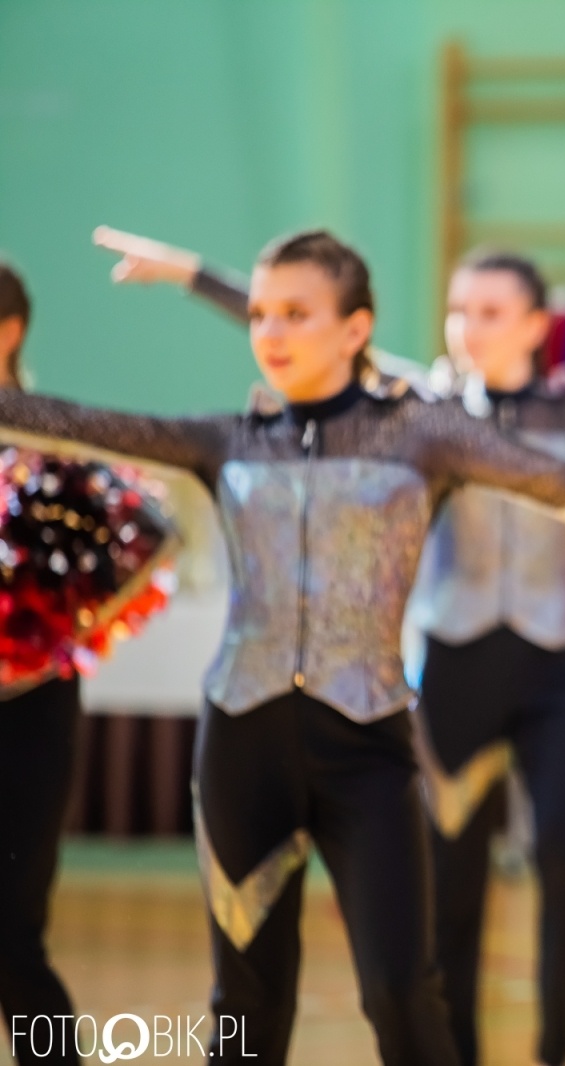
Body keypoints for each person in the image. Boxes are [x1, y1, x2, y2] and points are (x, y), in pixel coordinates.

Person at [94, 226, 565, 1066]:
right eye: (457, 311)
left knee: (561, 854)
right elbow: (304, 333)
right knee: (450, 880)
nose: (467, 328)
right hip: (453, 653)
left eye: (489, 312)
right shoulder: (425, 407)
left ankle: (554, 1051)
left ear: (537, 324)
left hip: (561, 653)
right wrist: (194, 274)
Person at [0, 229, 565, 1066]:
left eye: (295, 314)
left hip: (370, 753)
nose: (271, 334)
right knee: (246, 1007)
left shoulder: (422, 434)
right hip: (240, 746)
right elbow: (73, 422)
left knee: (400, 995)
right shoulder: (225, 439)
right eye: (258, 316)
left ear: (357, 329)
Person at [0, 258, 179, 1066]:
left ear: (9, 333)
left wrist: (44, 640)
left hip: (27, 712)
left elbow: (151, 536)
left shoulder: (51, 440)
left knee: (10, 938)